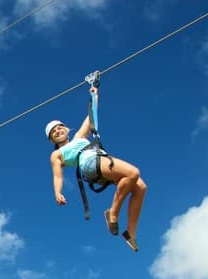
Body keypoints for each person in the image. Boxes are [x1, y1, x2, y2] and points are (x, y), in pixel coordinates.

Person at [47, 87, 146, 251]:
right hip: (90, 164)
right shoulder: (57, 154)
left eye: (59, 127)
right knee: (133, 172)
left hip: (102, 160)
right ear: (52, 140)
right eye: (53, 132)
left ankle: (131, 233)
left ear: (66, 129)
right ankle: (112, 213)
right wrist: (57, 192)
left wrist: (94, 94)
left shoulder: (79, 136)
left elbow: (91, 116)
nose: (57, 131)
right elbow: (57, 176)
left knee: (140, 187)